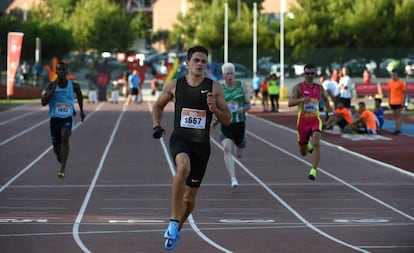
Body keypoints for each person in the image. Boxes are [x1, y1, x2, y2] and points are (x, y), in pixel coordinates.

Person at [151, 45, 231, 250]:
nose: (200, 64)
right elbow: (157, 106)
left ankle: (177, 226)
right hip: (180, 139)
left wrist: (214, 109)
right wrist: (157, 125)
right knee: (182, 167)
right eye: (196, 60)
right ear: (187, 63)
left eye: (203, 61)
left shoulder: (214, 88)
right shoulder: (173, 86)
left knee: (189, 199)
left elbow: (228, 119)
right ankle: (172, 220)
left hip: (201, 146)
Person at [41, 62, 85, 178]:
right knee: (56, 148)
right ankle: (61, 157)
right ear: (56, 72)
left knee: (65, 138)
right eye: (59, 70)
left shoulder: (74, 85)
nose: (61, 72)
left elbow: (80, 96)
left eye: (63, 70)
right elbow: (43, 102)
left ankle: (62, 169)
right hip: (55, 120)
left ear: (67, 72)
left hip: (67, 118)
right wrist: (52, 90)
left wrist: (82, 111)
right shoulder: (51, 85)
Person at [288, 64, 332, 180]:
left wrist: (330, 113)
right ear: (304, 74)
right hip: (302, 122)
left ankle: (313, 170)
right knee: (303, 153)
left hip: (315, 120)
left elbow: (326, 100)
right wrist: (302, 99)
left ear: (315, 74)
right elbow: (290, 103)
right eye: (307, 73)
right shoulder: (299, 87)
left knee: (316, 143)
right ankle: (306, 144)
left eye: (312, 73)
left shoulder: (319, 88)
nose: (310, 76)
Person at [212, 62, 251, 188]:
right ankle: (233, 179)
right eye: (227, 74)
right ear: (223, 75)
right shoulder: (219, 89)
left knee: (239, 154)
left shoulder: (242, 86)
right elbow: (216, 107)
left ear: (234, 74)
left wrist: (242, 109)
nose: (229, 76)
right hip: (226, 123)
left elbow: (248, 104)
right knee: (227, 148)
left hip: (240, 123)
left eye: (231, 73)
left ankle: (240, 146)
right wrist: (216, 120)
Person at [387, 69, 407, 135]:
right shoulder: (390, 82)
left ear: (397, 75)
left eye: (395, 75)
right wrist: (389, 101)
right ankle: (396, 128)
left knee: (398, 115)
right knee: (394, 116)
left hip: (399, 101)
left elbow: (404, 93)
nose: (394, 76)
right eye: (392, 75)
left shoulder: (401, 83)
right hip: (392, 102)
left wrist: (403, 102)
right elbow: (389, 92)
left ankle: (399, 129)